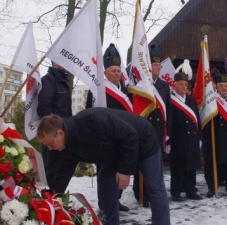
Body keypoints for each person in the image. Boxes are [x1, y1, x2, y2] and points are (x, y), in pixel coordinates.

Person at [37, 108, 170, 225]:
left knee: (154, 187)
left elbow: (130, 136)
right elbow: (64, 171)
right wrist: (52, 195)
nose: (49, 149)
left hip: (143, 139)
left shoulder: (92, 121)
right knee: (105, 185)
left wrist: (124, 170)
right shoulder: (67, 145)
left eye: (49, 144)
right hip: (113, 152)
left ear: (60, 133)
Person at [86, 43, 132, 212]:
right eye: (113, 71)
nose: (116, 73)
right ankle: (104, 203)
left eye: (118, 71)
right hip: (104, 139)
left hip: (122, 139)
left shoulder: (126, 92)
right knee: (105, 174)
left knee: (120, 170)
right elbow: (89, 113)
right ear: (105, 72)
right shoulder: (97, 89)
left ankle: (116, 200)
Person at [133, 44, 172, 207]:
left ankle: (152, 192)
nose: (157, 68)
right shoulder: (141, 84)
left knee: (154, 165)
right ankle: (140, 192)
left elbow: (167, 110)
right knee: (140, 164)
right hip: (143, 130)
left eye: (158, 65)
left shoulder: (164, 86)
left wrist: (167, 133)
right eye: (154, 65)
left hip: (157, 131)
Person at [203, 73, 227, 198]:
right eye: (221, 85)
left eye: (226, 85)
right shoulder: (211, 101)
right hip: (215, 138)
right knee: (212, 164)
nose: (224, 88)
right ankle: (212, 188)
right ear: (216, 87)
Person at [37, 61, 72, 188]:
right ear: (55, 61)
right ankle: (49, 203)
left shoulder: (63, 80)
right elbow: (43, 110)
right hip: (53, 137)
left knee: (61, 172)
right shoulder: (48, 80)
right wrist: (58, 130)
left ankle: (57, 201)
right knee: (51, 174)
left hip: (63, 135)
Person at [169, 72, 202, 201]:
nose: (184, 87)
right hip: (178, 139)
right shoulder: (170, 100)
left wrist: (199, 137)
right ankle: (176, 191)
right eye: (181, 84)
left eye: (185, 84)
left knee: (191, 166)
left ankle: (191, 191)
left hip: (192, 139)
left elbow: (197, 120)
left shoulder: (191, 100)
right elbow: (169, 121)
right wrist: (168, 140)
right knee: (178, 167)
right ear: (175, 85)